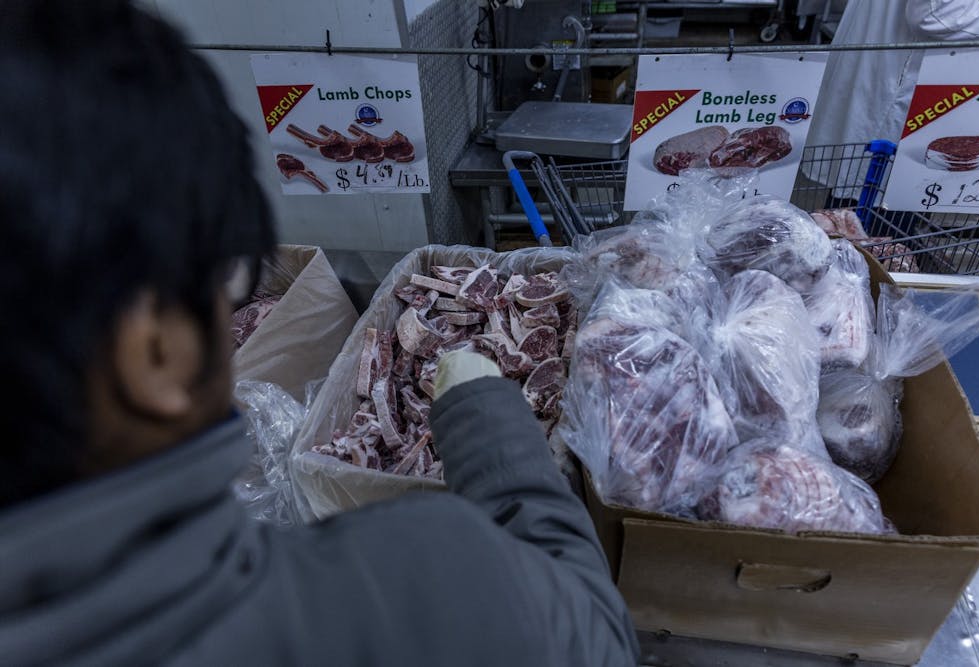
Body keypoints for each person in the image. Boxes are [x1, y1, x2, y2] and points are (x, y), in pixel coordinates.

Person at [0, 1, 639, 665]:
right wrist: (487, 417)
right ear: (154, 353)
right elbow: (593, 631)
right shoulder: (420, 584)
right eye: (230, 283)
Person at [803, 0, 979, 200]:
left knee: (860, 210)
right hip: (902, 93)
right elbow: (938, 14)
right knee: (880, 208)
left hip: (890, 79)